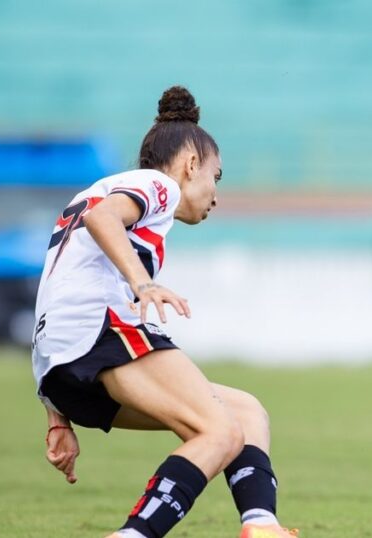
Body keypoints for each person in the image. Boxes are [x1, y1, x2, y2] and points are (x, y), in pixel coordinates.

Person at [33, 86, 297, 538]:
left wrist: (56, 415)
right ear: (192, 165)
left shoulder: (105, 191)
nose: (215, 195)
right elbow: (102, 219)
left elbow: (55, 293)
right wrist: (144, 283)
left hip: (63, 364)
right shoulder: (156, 185)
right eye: (217, 176)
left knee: (245, 413)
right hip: (103, 336)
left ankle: (261, 523)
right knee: (220, 431)